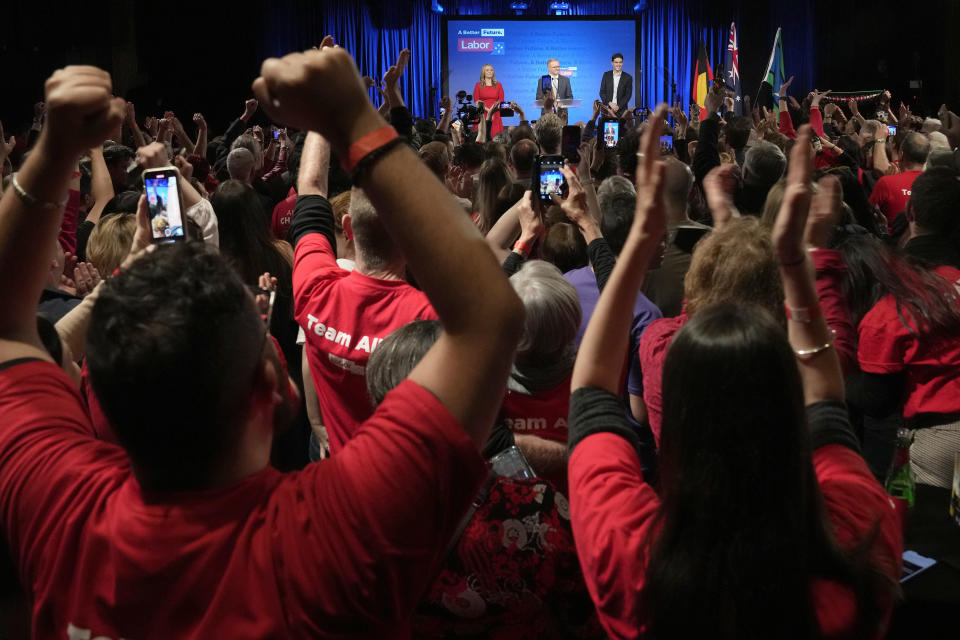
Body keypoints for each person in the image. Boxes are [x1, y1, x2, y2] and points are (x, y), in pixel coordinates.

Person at [0, 42, 524, 637]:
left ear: (97, 402)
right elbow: (490, 315)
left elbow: (6, 324)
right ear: (277, 392)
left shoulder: (61, 510)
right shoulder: (335, 538)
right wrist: (354, 116)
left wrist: (49, 153)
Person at [566, 117, 902, 638]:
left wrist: (640, 239)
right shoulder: (859, 541)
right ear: (788, 408)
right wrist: (796, 259)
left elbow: (589, 393)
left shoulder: (632, 556)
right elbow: (829, 404)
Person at [473, 64, 505, 139]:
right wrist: (488, 111)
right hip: (482, 112)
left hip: (495, 112)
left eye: (491, 70)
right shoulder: (478, 85)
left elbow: (501, 100)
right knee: (482, 136)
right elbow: (476, 101)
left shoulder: (498, 85)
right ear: (483, 72)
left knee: (495, 136)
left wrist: (492, 110)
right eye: (487, 70)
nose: (490, 72)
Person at [599, 53, 633, 117]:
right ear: (612, 63)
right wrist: (610, 103)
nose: (618, 64)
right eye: (616, 62)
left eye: (620, 62)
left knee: (622, 127)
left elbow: (628, 95)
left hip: (621, 111)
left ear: (622, 63)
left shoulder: (628, 77)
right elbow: (602, 92)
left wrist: (618, 106)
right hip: (607, 110)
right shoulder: (606, 75)